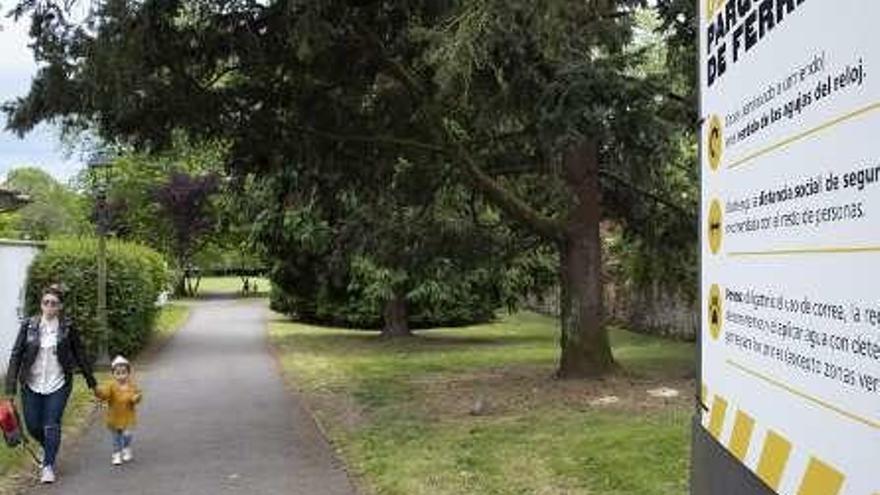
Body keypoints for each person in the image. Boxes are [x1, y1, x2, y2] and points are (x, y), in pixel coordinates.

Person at [5, 284, 97, 484]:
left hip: (58, 383)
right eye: (45, 302)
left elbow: (79, 353)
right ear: (41, 305)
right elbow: (15, 356)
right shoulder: (29, 325)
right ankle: (50, 448)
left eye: (53, 303)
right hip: (31, 384)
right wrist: (10, 389)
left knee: (51, 424)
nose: (49, 306)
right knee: (32, 426)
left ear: (60, 307)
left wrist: (92, 383)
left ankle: (48, 466)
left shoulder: (67, 327)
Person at [94, 355, 142, 465]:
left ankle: (126, 447)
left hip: (128, 416)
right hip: (114, 417)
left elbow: (137, 394)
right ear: (113, 374)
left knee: (127, 434)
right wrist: (99, 392)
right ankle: (116, 454)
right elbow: (105, 395)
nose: (121, 376)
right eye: (118, 373)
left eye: (124, 372)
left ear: (128, 373)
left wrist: (136, 398)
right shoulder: (111, 386)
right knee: (116, 437)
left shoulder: (131, 385)